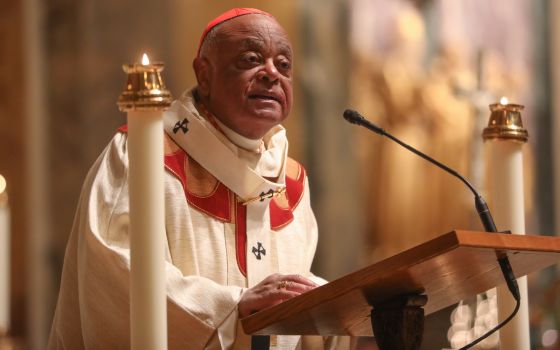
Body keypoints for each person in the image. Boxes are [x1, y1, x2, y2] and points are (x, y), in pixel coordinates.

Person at [48, 8, 350, 349]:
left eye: (284, 65)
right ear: (204, 75)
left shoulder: (291, 181)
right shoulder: (144, 155)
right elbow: (115, 274)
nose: (271, 74)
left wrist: (334, 305)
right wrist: (230, 307)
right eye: (251, 59)